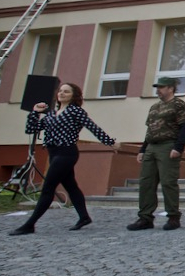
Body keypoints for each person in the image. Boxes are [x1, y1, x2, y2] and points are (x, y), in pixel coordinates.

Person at [10, 83, 116, 235]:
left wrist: (110, 142)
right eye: (60, 91)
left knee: (48, 188)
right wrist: (35, 112)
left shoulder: (76, 111)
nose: (62, 93)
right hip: (53, 153)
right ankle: (84, 217)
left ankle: (30, 224)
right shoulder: (52, 113)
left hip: (67, 153)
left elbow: (92, 127)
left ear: (73, 95)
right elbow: (31, 129)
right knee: (71, 186)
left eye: (66, 92)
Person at [127, 76, 185, 231]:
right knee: (146, 182)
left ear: (171, 88)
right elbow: (150, 130)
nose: (158, 90)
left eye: (161, 87)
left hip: (167, 145)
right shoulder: (154, 107)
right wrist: (143, 149)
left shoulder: (178, 105)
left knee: (168, 182)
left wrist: (178, 148)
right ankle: (145, 218)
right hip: (151, 146)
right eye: (157, 88)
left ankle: (173, 217)